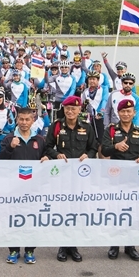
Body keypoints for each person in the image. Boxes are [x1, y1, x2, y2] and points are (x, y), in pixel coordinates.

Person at [45, 96, 98, 262]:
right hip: (62, 175)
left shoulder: (87, 128)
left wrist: (87, 155)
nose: (70, 111)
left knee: (76, 210)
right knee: (64, 209)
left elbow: (94, 147)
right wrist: (56, 154)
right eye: (67, 108)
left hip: (80, 176)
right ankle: (63, 245)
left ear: (79, 110)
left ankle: (73, 245)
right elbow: (47, 147)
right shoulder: (56, 126)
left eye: (74, 109)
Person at [0, 107, 51, 264]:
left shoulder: (40, 140)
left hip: (33, 188)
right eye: (21, 119)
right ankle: (13, 249)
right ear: (17, 120)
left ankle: (29, 250)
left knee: (31, 219)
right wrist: (10, 148)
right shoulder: (8, 139)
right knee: (14, 219)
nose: (24, 122)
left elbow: (47, 155)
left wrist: (47, 158)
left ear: (33, 120)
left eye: (27, 119)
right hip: (13, 187)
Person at [101, 99, 139, 261]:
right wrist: (115, 146)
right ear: (118, 113)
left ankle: (131, 246)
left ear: (134, 113)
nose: (126, 114)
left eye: (129, 111)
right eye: (123, 111)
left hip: (135, 179)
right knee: (116, 212)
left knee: (132, 212)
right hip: (116, 177)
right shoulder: (111, 131)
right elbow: (104, 151)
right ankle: (114, 245)